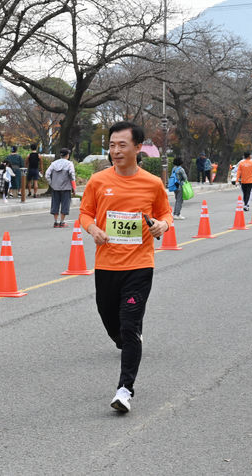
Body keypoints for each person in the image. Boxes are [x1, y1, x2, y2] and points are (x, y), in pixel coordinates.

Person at [79, 121, 172, 413]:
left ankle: (124, 389)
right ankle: (126, 339)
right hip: (106, 265)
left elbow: (165, 213)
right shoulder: (98, 181)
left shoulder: (152, 183)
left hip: (139, 266)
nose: (115, 151)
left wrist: (162, 225)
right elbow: (85, 213)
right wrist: (93, 229)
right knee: (111, 320)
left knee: (130, 325)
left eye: (121, 145)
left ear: (137, 148)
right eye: (111, 145)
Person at [45, 148, 76, 228]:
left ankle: (55, 222)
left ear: (60, 155)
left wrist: (51, 183)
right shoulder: (69, 164)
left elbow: (47, 174)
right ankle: (62, 222)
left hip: (55, 188)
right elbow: (72, 175)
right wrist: (74, 188)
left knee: (55, 204)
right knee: (65, 205)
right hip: (66, 187)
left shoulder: (54, 164)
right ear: (67, 155)